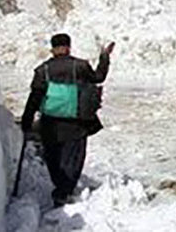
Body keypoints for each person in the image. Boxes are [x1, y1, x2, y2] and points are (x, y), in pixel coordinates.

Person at [21, 33, 114, 207]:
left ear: (53, 49)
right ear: (68, 47)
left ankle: (60, 187)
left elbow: (35, 96)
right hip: (76, 121)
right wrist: (105, 57)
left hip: (50, 122)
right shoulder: (80, 66)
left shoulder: (43, 70)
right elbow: (99, 77)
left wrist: (27, 121)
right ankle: (65, 190)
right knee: (74, 157)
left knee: (53, 157)